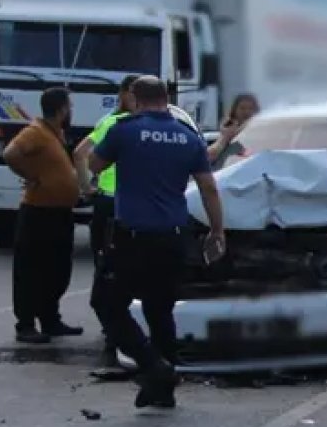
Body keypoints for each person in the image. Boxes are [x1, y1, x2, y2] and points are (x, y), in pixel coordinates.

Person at [89, 76, 225, 409]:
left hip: (132, 238)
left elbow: (94, 164)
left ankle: (154, 366)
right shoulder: (188, 136)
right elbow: (208, 187)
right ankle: (162, 391)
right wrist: (217, 230)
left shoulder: (125, 130)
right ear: (167, 98)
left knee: (107, 304)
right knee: (159, 310)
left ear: (135, 98)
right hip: (173, 238)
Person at [3, 87, 83, 344]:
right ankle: (25, 324)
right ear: (60, 110)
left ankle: (51, 319)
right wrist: (32, 176)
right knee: (31, 270)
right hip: (38, 212)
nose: (71, 111)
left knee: (57, 269)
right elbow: (10, 154)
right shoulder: (36, 132)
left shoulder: (55, 134)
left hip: (59, 213)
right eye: (69, 106)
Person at [73, 75, 139, 373]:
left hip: (107, 202)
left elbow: (79, 153)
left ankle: (115, 328)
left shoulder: (111, 122)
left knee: (106, 269)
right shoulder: (123, 124)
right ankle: (124, 332)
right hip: (130, 205)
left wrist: (87, 188)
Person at [207, 93, 259, 166]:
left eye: (250, 108)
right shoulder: (228, 132)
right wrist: (226, 137)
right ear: (234, 110)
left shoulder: (259, 133)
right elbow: (207, 157)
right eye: (242, 108)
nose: (246, 112)